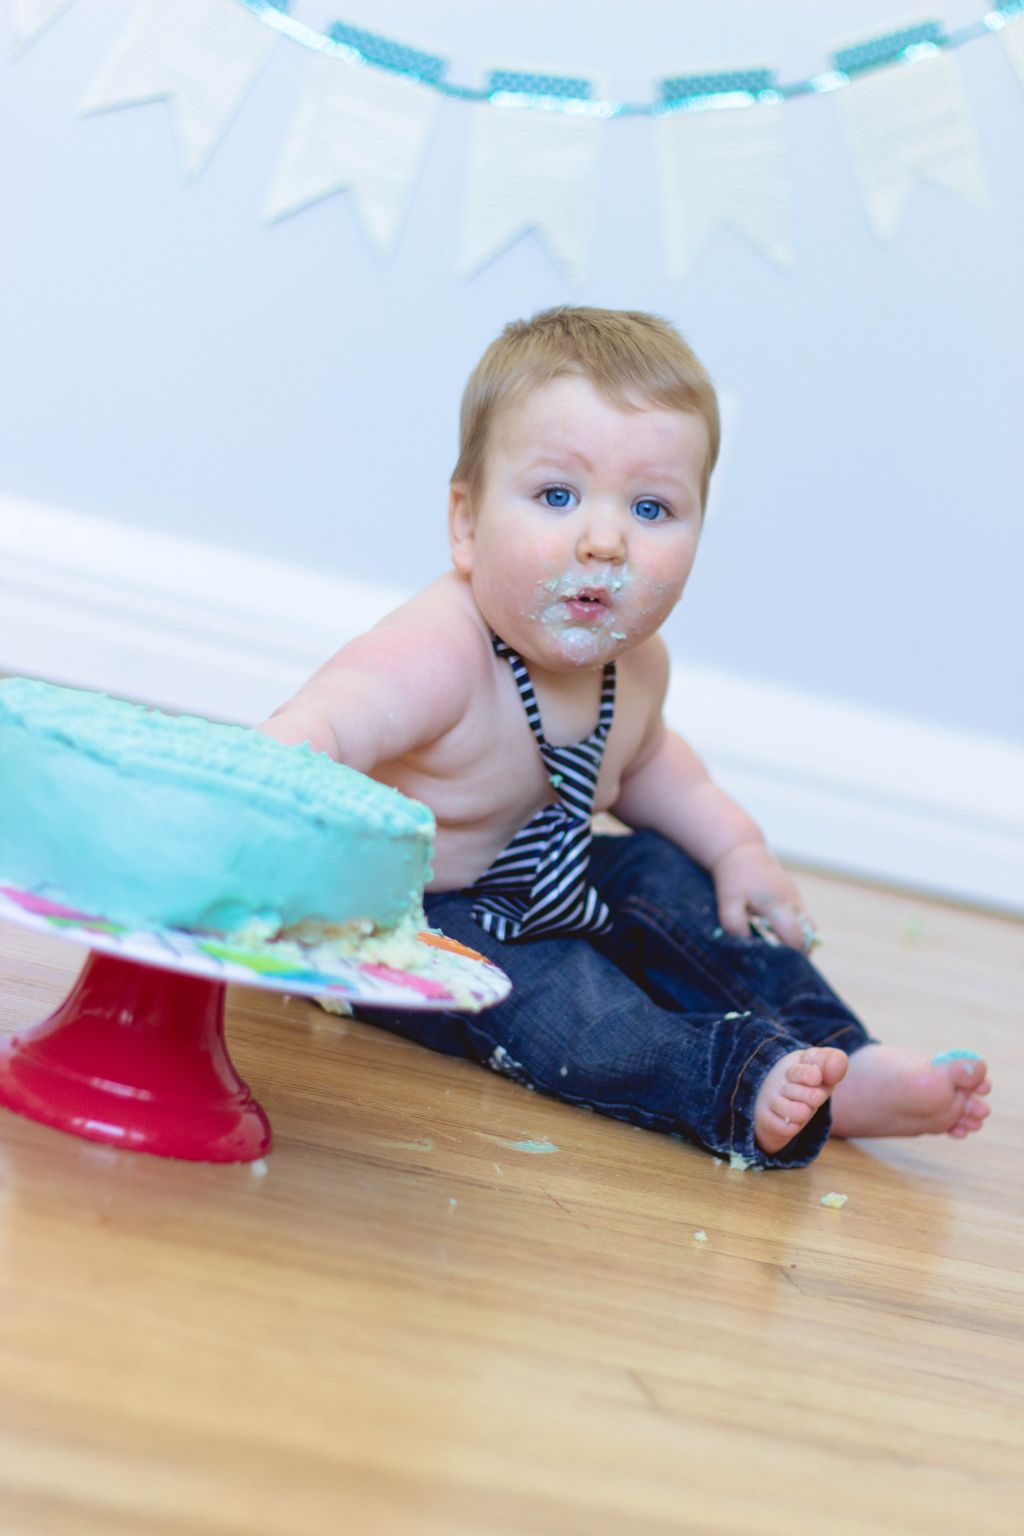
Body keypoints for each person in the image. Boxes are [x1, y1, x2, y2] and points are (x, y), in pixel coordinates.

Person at [261, 306, 991, 1168]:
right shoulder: (439, 649)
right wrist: (271, 784)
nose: (605, 541)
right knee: (564, 1002)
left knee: (663, 876)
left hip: (550, 882)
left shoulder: (637, 666)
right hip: (405, 921)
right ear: (466, 523)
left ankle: (842, 1055)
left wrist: (739, 851)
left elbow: (655, 770)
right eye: (557, 496)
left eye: (651, 508)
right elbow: (331, 718)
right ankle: (729, 1081)